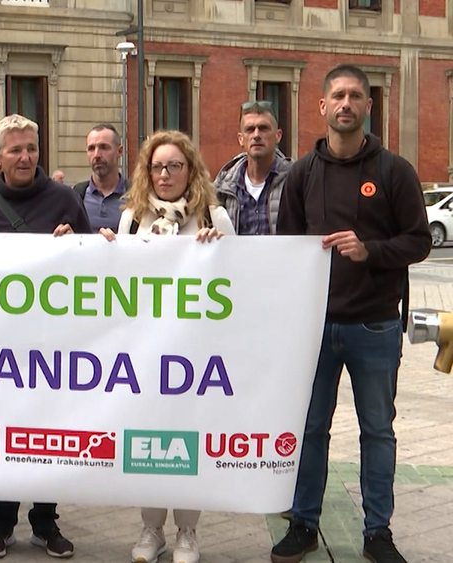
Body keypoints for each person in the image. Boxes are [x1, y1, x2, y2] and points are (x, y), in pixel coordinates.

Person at [271, 64, 430, 563]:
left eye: (355, 96)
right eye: (337, 95)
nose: (346, 103)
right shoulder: (302, 172)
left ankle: (377, 533)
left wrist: (371, 252)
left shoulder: (394, 171)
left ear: (368, 106)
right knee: (310, 428)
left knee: (377, 430)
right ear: (321, 106)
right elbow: (287, 248)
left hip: (376, 324)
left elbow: (420, 242)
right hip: (315, 328)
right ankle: (303, 523)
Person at [0, 114, 89, 560]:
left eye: (31, 148)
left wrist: (79, 243)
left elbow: (97, 271)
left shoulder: (65, 200)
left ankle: (46, 524)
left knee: (47, 435)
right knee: (2, 434)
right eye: (15, 150)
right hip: (0, 349)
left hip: (52, 347)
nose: (25, 156)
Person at [100, 130, 234, 563]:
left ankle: (188, 533)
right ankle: (151, 529)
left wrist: (219, 253)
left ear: (190, 170)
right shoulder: (132, 218)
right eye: (158, 166)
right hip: (145, 352)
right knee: (148, 440)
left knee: (187, 441)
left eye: (175, 165)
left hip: (196, 354)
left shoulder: (214, 217)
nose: (165, 173)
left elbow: (238, 279)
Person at [213, 101, 292, 235]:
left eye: (263, 128)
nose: (256, 135)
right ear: (241, 139)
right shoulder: (223, 186)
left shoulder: (295, 179)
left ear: (278, 136)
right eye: (250, 129)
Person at [74, 124, 126, 231]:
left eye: (104, 147)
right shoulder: (76, 196)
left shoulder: (136, 197)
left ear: (119, 151)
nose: (97, 155)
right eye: (91, 148)